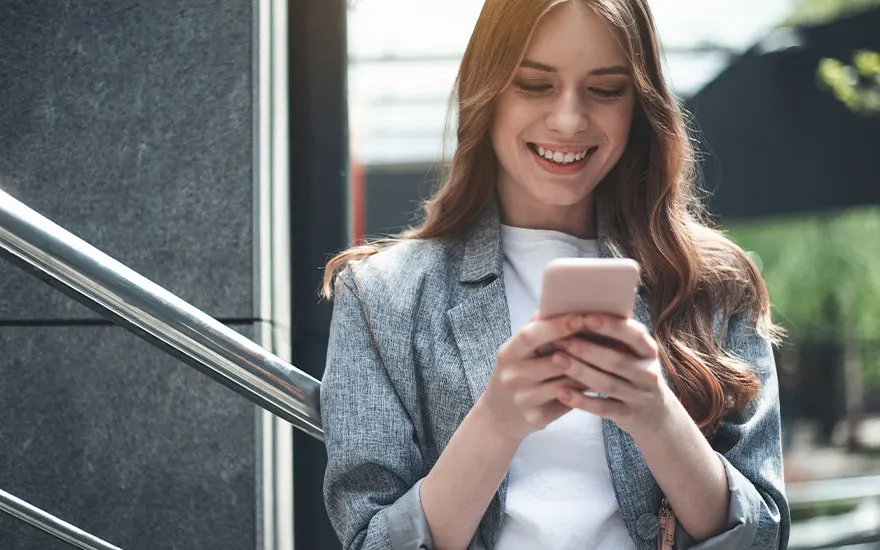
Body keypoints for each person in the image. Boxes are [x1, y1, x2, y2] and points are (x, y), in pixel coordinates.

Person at [320, 0, 790, 548]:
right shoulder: (384, 296)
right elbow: (369, 541)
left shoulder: (712, 285)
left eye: (606, 89)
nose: (568, 119)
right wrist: (497, 421)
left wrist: (656, 416)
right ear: (487, 92)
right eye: (534, 85)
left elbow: (764, 535)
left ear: (639, 105)